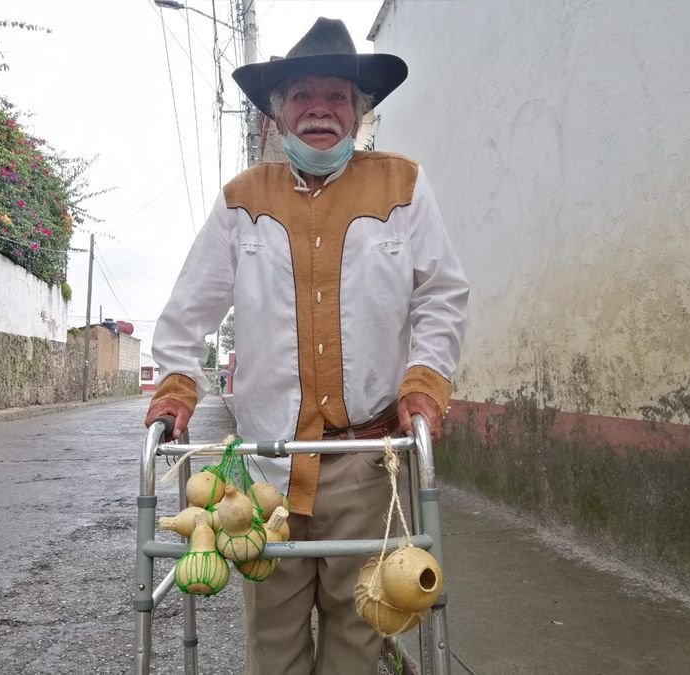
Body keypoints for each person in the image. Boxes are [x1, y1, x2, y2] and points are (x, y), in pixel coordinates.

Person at [144, 17, 468, 674]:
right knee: (273, 639)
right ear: (278, 113)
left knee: (360, 632)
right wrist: (176, 387)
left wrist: (425, 380)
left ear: (358, 110)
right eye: (302, 96)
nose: (320, 109)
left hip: (367, 461)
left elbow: (442, 292)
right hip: (265, 471)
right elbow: (186, 313)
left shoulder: (403, 186)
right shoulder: (241, 201)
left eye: (336, 96)